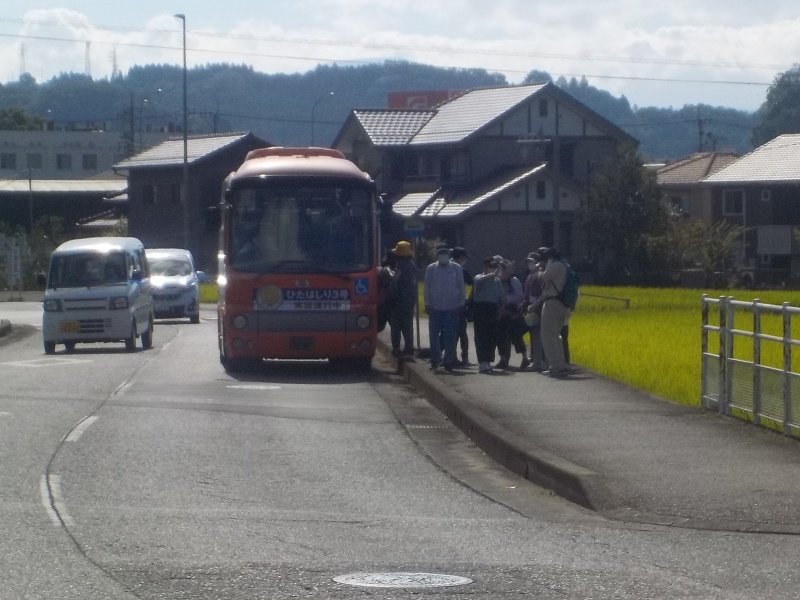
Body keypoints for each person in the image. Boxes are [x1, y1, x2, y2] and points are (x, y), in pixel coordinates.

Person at [423, 246, 465, 372]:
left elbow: (461, 286)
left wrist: (461, 303)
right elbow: (427, 287)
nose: (443, 256)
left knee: (450, 336)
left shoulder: (456, 268)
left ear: (448, 256)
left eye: (445, 254)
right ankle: (435, 360)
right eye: (440, 254)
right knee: (434, 335)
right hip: (435, 306)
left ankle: (448, 361)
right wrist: (427, 303)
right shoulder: (431, 268)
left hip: (452, 307)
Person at [538, 246, 571, 378]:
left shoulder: (555, 265)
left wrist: (540, 270)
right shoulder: (564, 265)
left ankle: (556, 366)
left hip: (552, 302)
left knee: (547, 336)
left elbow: (543, 277)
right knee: (556, 335)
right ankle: (561, 364)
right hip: (562, 303)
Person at [471, 256, 505, 373]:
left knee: (491, 336)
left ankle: (488, 361)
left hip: (493, 309)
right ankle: (482, 362)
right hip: (481, 308)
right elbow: (480, 281)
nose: (494, 268)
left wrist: (501, 308)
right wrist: (493, 274)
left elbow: (502, 297)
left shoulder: (497, 281)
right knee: (481, 336)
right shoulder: (478, 277)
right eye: (492, 266)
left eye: (495, 266)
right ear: (485, 267)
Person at [494, 259, 528, 370]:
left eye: (501, 269)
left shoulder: (514, 281)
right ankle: (503, 359)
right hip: (500, 312)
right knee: (500, 336)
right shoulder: (497, 281)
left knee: (516, 335)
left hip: (512, 312)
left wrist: (505, 302)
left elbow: (518, 296)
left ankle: (525, 358)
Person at [388, 241, 417, 356]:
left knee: (396, 324)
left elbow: (395, 279)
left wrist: (389, 274)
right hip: (410, 299)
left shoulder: (400, 265)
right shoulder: (412, 264)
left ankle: (396, 348)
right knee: (408, 325)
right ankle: (409, 347)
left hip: (399, 299)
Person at [522, 250, 546, 372]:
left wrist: (535, 304)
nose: (529, 264)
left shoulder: (541, 275)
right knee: (534, 336)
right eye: (528, 262)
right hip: (531, 309)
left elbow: (544, 293)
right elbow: (526, 294)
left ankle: (543, 361)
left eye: (531, 262)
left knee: (542, 335)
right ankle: (536, 361)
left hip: (539, 308)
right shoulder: (529, 276)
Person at [451, 246, 474, 366]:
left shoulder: (444, 268)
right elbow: (474, 284)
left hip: (446, 304)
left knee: (450, 332)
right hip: (459, 304)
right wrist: (469, 299)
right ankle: (464, 358)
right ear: (460, 257)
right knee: (462, 333)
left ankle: (452, 356)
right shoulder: (462, 270)